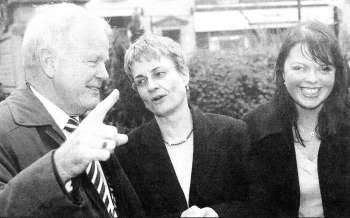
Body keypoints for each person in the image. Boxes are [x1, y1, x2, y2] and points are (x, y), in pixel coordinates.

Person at [0, 3, 145, 217]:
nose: (105, 74)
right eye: (92, 61)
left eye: (104, 62)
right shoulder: (4, 129)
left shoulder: (83, 125)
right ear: (50, 63)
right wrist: (58, 167)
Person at [115, 34, 250, 218]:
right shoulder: (128, 152)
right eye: (141, 81)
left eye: (159, 73)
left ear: (184, 74)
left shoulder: (233, 134)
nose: (151, 86)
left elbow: (259, 205)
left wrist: (217, 214)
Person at [243, 21, 350, 217]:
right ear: (282, 72)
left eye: (324, 68)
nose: (312, 78)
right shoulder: (253, 128)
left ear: (337, 74)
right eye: (300, 68)